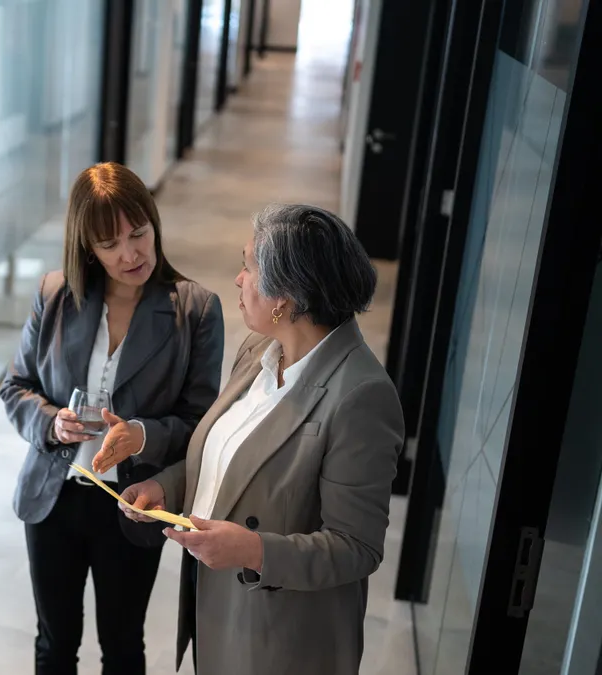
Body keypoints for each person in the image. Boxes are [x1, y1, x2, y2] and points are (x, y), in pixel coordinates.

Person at [120, 204, 404, 675]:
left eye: (249, 267)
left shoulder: (362, 396)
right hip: (222, 612)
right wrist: (167, 487)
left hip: (282, 638)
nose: (237, 279)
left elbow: (357, 547)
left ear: (285, 297)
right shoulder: (260, 348)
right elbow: (228, 456)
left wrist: (253, 549)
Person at [0, 162, 224, 675]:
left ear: (153, 224)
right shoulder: (56, 296)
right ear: (88, 249)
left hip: (132, 505)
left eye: (139, 234)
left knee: (123, 647)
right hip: (53, 498)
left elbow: (201, 426)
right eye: (110, 244)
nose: (130, 254)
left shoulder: (195, 312)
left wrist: (142, 434)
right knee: (54, 645)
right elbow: (15, 388)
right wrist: (52, 422)